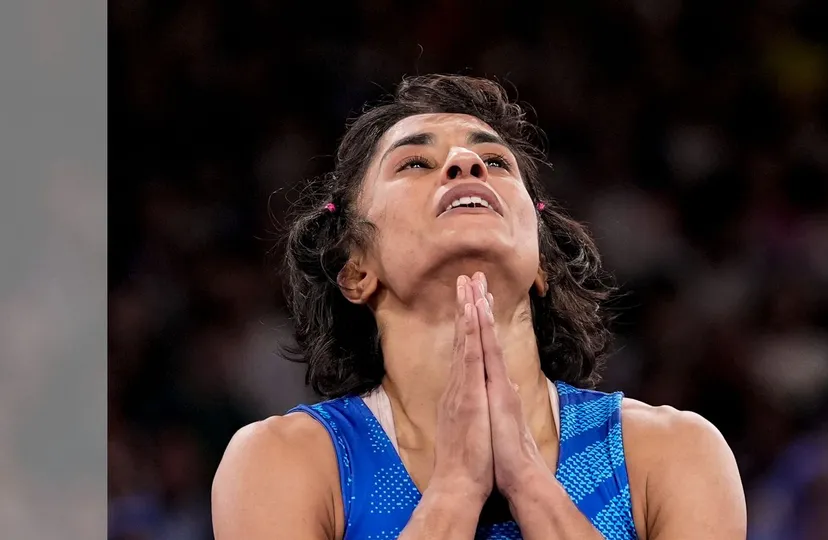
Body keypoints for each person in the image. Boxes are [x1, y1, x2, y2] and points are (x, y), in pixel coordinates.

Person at [211, 74, 746, 539]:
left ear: (543, 264)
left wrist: (532, 487)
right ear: (355, 269)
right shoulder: (284, 462)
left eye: (494, 160)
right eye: (415, 162)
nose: (465, 164)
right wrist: (455, 493)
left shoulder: (672, 452)